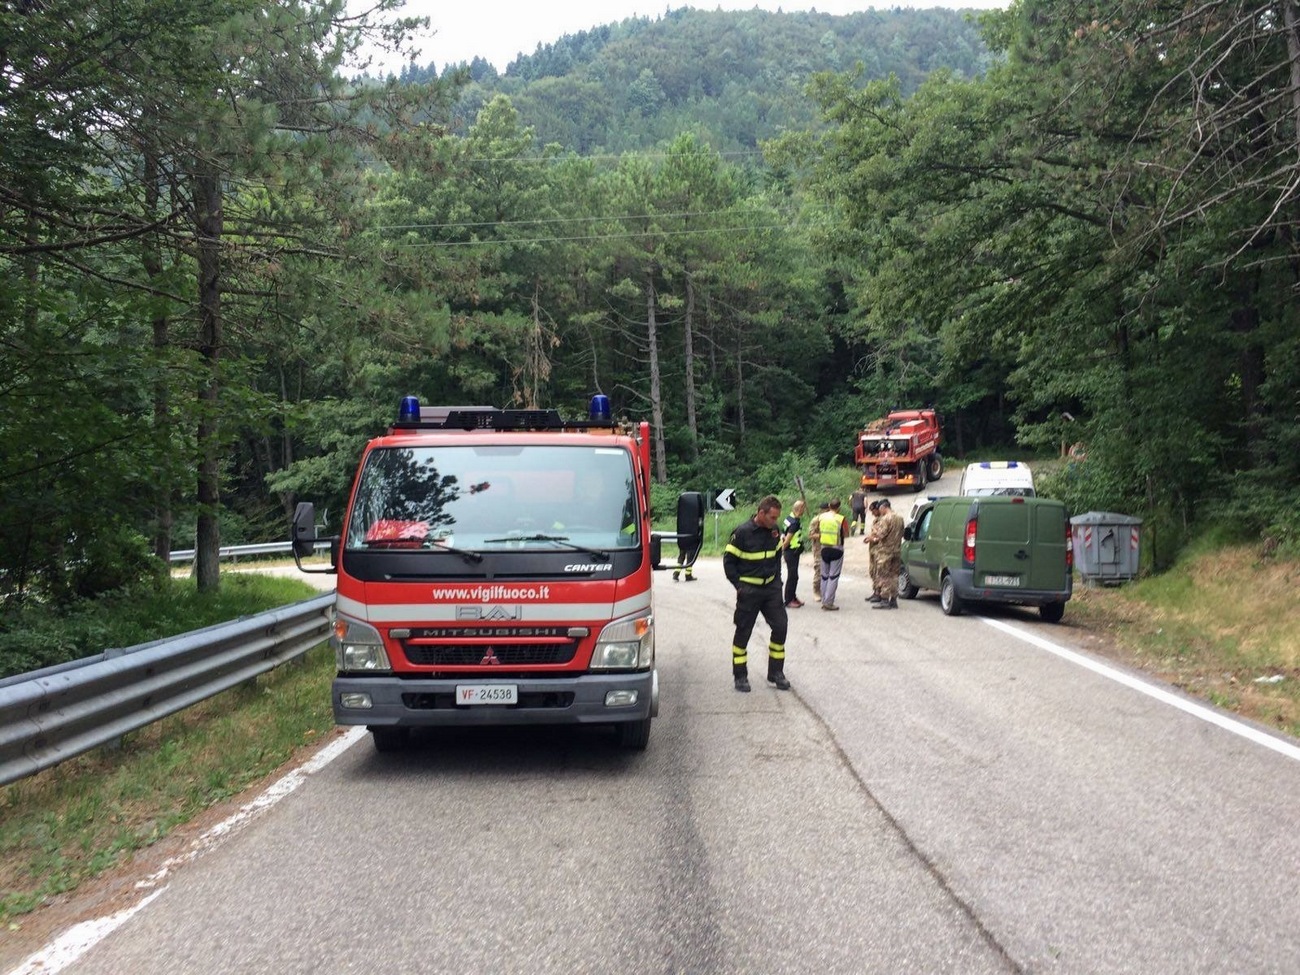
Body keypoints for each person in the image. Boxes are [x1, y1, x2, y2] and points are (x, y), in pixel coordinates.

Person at [722, 495, 790, 692]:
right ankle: (740, 676)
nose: (775, 522)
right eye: (772, 517)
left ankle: (776, 673)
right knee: (743, 632)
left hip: (771, 590)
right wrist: (739, 586)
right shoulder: (742, 533)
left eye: (776, 518)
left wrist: (777, 582)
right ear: (761, 513)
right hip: (749, 592)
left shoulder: (774, 532)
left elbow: (778, 556)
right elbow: (729, 562)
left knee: (781, 627)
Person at [865, 497, 905, 609]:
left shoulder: (886, 519)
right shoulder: (900, 518)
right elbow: (902, 533)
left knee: (884, 575)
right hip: (896, 550)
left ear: (883, 508)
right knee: (894, 575)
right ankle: (893, 599)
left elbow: (880, 535)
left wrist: (871, 538)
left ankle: (884, 599)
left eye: (880, 509)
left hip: (885, 551)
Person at [818, 498, 849, 610]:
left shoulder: (821, 517)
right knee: (833, 576)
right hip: (837, 549)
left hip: (824, 548)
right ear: (839, 508)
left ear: (829, 506)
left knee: (824, 576)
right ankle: (829, 602)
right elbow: (846, 533)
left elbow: (817, 530)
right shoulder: (841, 519)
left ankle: (823, 599)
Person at [780, 499, 806, 608]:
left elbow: (782, 531)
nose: (804, 510)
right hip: (791, 552)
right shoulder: (794, 523)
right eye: (803, 508)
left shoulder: (788, 518)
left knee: (794, 576)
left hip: (791, 551)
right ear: (799, 509)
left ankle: (793, 597)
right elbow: (787, 541)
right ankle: (788, 600)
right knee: (793, 576)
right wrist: (780, 551)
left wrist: (782, 536)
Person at [808, 501, 829, 601]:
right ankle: (816, 591)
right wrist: (823, 535)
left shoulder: (830, 519)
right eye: (826, 510)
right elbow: (811, 535)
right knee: (819, 569)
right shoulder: (816, 520)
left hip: (829, 547)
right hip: (818, 549)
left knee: (828, 570)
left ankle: (825, 590)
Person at [865, 500, 884, 602]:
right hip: (873, 549)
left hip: (879, 550)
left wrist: (872, 539)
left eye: (873, 511)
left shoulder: (883, 520)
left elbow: (881, 535)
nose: (872, 513)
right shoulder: (876, 520)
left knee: (878, 572)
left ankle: (879, 593)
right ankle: (875, 591)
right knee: (873, 571)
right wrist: (869, 538)